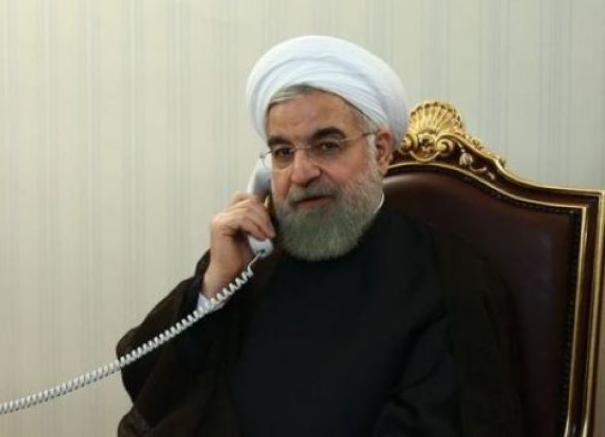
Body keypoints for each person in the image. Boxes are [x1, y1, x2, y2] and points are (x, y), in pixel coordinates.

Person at [117, 36, 523, 437]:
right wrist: (211, 289)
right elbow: (148, 387)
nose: (301, 173)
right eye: (282, 152)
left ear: (381, 151)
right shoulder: (250, 261)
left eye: (326, 145)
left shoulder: (449, 281)